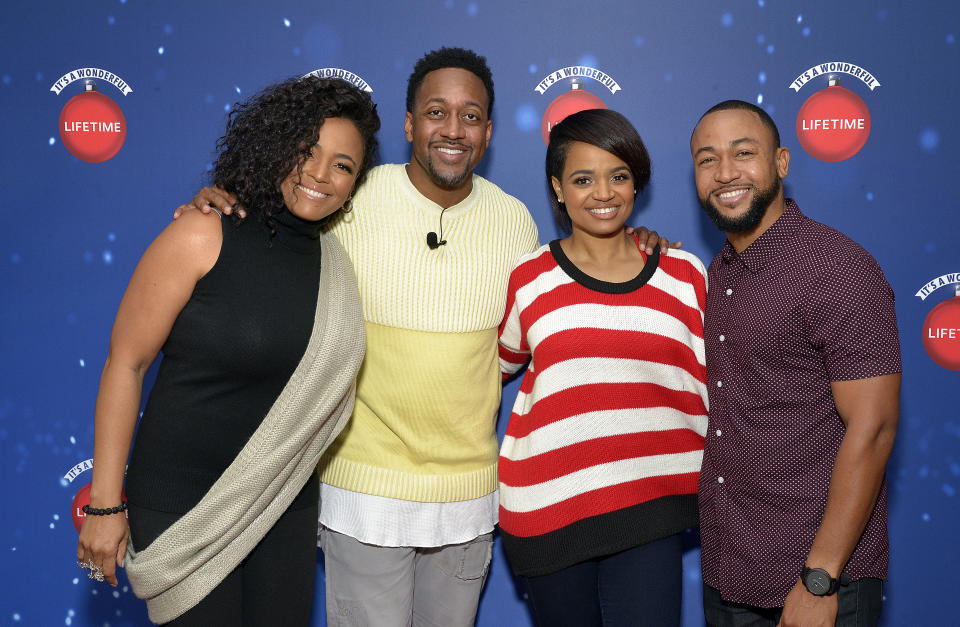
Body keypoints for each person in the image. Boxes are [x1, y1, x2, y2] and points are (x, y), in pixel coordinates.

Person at [181, 48, 671, 626]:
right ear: (410, 123)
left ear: (488, 132)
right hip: (364, 492)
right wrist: (223, 204)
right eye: (437, 112)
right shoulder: (352, 198)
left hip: (470, 496)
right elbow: (279, 232)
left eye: (470, 116)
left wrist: (635, 242)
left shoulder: (516, 222)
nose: (453, 130)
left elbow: (543, 325)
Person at [76, 76, 379, 625]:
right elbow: (126, 363)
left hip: (282, 504)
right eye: (306, 151)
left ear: (355, 183)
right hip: (180, 503)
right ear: (274, 144)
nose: (319, 174)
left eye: (342, 165)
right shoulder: (203, 233)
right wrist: (104, 501)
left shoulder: (338, 266)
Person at [690, 100, 901, 627]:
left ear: (781, 162)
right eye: (707, 159)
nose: (725, 173)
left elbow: (872, 429)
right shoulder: (714, 275)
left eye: (744, 154)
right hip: (729, 574)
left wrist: (820, 577)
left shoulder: (838, 267)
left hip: (819, 580)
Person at [496, 109, 708, 626]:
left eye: (619, 176)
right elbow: (493, 367)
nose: (603, 193)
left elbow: (719, 380)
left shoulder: (684, 275)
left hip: (650, 503)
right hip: (548, 508)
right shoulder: (530, 277)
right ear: (557, 188)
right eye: (583, 179)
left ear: (637, 184)